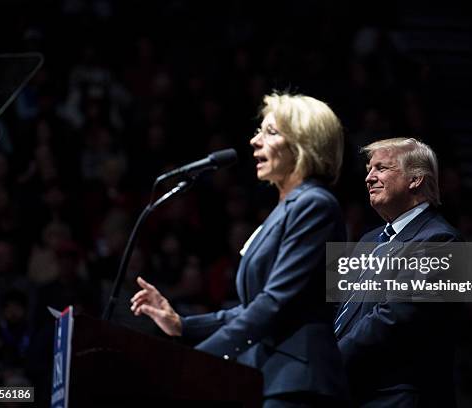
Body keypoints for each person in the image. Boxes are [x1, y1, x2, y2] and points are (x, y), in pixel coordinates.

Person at [131, 92, 349, 406]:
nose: (254, 141)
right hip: (270, 377)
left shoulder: (316, 206)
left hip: (300, 384)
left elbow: (274, 303)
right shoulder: (284, 210)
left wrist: (198, 361)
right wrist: (182, 325)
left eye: (270, 132)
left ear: (304, 143)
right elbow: (251, 307)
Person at [334, 137, 462, 407]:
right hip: (353, 391)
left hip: (397, 398)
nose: (369, 178)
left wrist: (328, 360)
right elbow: (341, 308)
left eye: (381, 168)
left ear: (415, 179)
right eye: (369, 169)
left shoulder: (439, 241)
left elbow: (394, 318)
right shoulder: (369, 240)